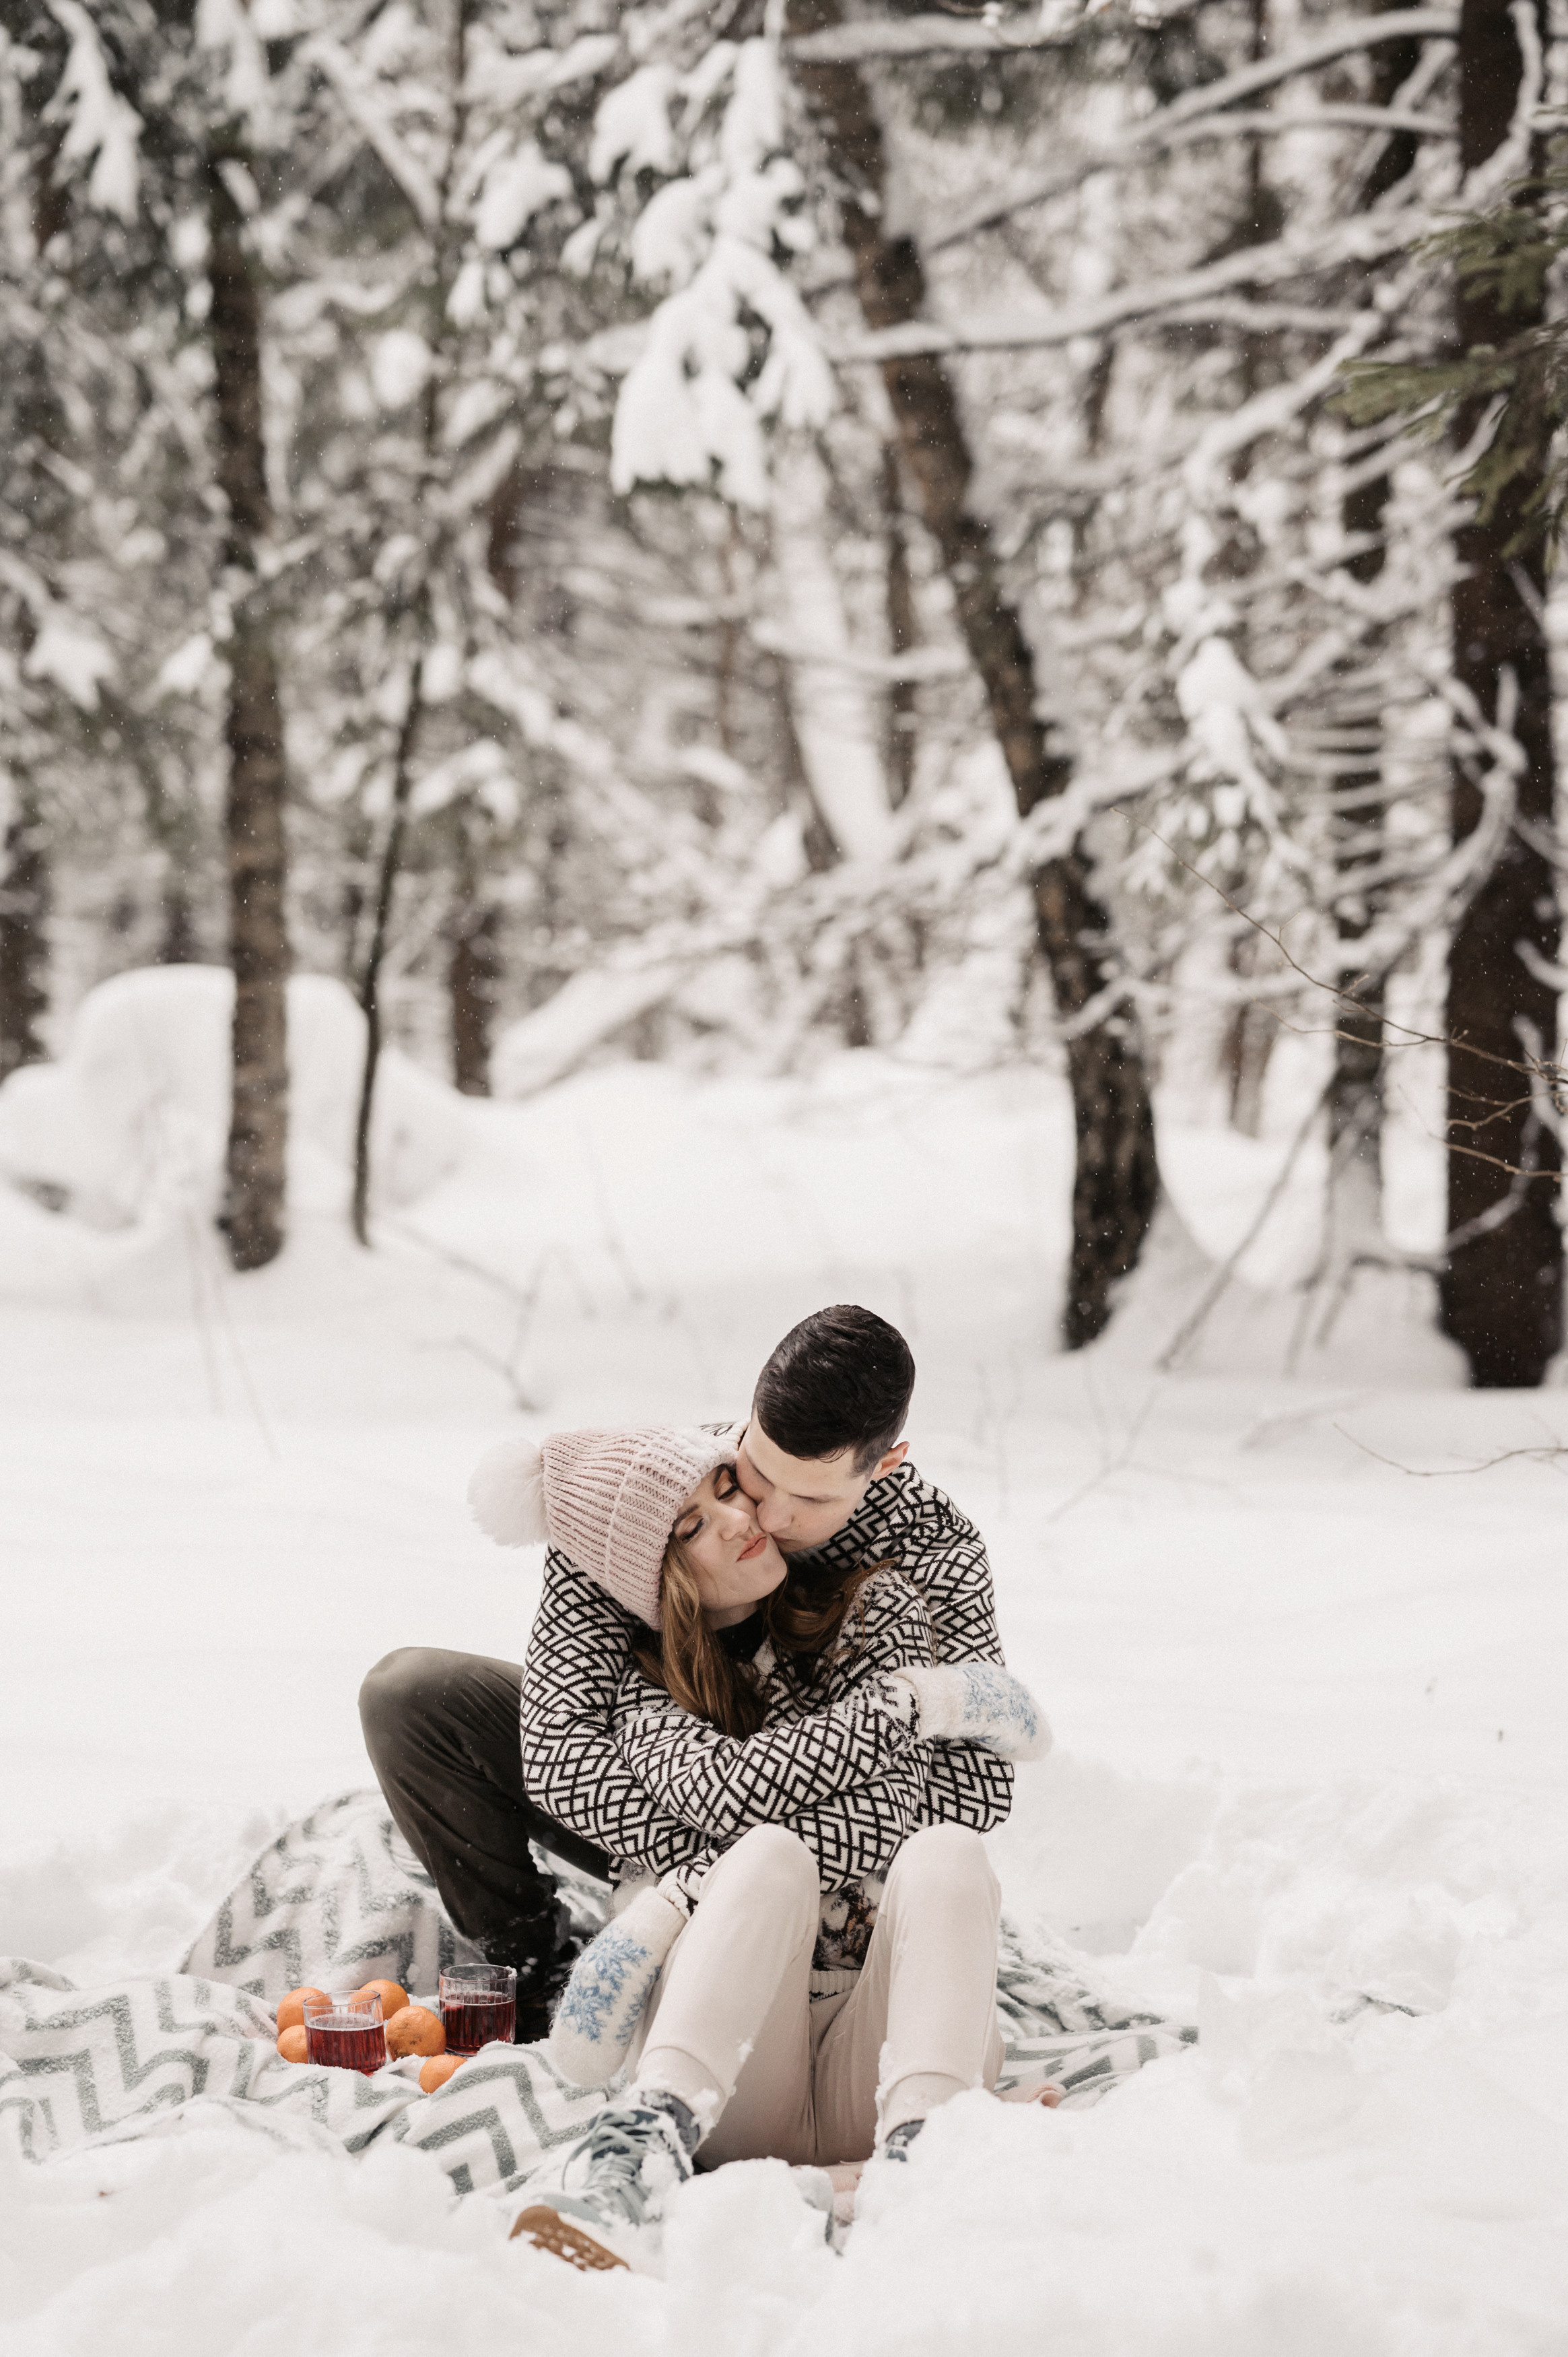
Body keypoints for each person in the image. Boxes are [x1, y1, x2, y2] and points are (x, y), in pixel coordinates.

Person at [465, 1423, 1048, 2273]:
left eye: (724, 1489)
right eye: (692, 1527)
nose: (737, 1519)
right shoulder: (644, 1689)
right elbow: (720, 1793)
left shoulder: (869, 1608)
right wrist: (906, 1708)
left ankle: (923, 2158)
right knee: (768, 1853)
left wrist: (691, 1877)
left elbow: (902, 1809)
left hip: (879, 2060)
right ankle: (634, 2160)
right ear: (657, 1582)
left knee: (949, 1851)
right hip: (737, 2079)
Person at [359, 1305, 1015, 2037]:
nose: (764, 1514)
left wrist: (781, 1852)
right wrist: (720, 1856)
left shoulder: (932, 1552)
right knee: (412, 1693)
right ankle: (539, 1967)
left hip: (847, 1798)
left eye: (812, 1499)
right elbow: (560, 1754)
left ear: (885, 1466)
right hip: (678, 1771)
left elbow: (972, 1791)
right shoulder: (656, 1489)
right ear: (747, 1422)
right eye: (758, 1473)